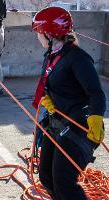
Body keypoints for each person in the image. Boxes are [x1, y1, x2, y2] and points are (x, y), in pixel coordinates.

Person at [32, 7, 106, 199]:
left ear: (49, 34)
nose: (38, 37)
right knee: (46, 176)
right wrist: (52, 101)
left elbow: (96, 93)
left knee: (64, 180)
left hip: (79, 126)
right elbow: (59, 84)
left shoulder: (77, 58)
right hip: (58, 122)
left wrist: (96, 118)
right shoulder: (52, 55)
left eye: (39, 33)